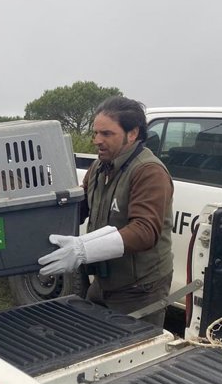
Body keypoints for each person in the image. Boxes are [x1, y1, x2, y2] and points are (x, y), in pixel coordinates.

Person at [38, 96, 173, 326]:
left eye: (106, 134)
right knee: (89, 334)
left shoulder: (149, 172)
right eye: (95, 133)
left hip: (140, 288)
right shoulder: (100, 166)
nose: (96, 140)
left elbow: (144, 231)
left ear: (132, 134)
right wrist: (40, 226)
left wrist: (83, 250)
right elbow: (81, 207)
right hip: (103, 282)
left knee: (130, 353)